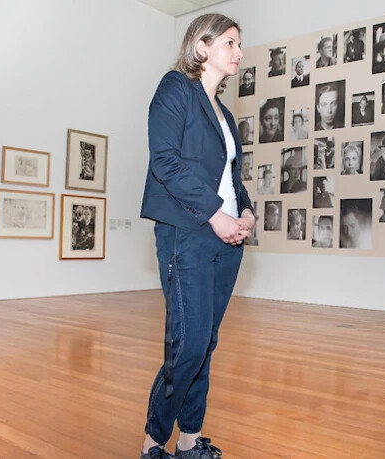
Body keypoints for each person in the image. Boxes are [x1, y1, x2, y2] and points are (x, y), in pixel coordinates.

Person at [139, 13, 255, 459]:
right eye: (230, 42)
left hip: (226, 239)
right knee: (186, 342)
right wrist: (215, 214)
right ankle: (153, 441)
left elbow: (231, 177)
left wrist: (243, 210)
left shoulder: (225, 114)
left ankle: (189, 441)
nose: (239, 52)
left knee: (205, 340)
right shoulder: (175, 89)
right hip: (187, 231)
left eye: (239, 44)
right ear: (201, 47)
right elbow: (165, 162)